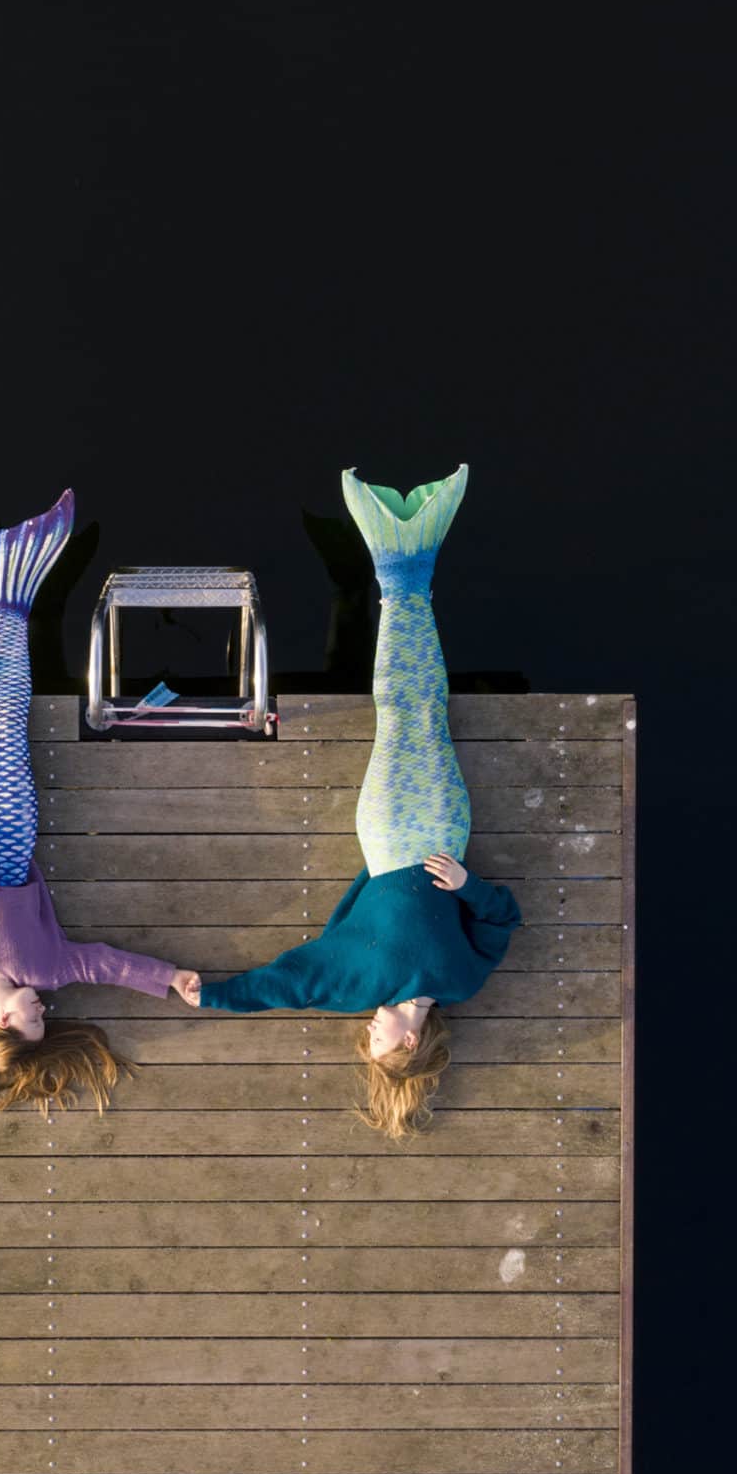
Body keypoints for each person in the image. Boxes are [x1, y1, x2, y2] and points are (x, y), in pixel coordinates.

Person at [194, 465, 520, 1138]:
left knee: (402, 715)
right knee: (424, 714)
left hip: (386, 836)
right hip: (443, 835)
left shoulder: (357, 985)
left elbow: (285, 986)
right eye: (377, 1038)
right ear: (407, 1044)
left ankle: (402, 576)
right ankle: (404, 573)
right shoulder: (461, 980)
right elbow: (503, 918)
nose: (368, 1027)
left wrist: (209, 993)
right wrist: (469, 886)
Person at [0, 482, 201, 1115]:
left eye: (33, 1021)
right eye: (44, 1019)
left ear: (1, 1023)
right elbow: (104, 966)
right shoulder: (48, 968)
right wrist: (167, 979)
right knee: (5, 720)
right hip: (11, 834)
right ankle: (6, 605)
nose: (44, 1011)